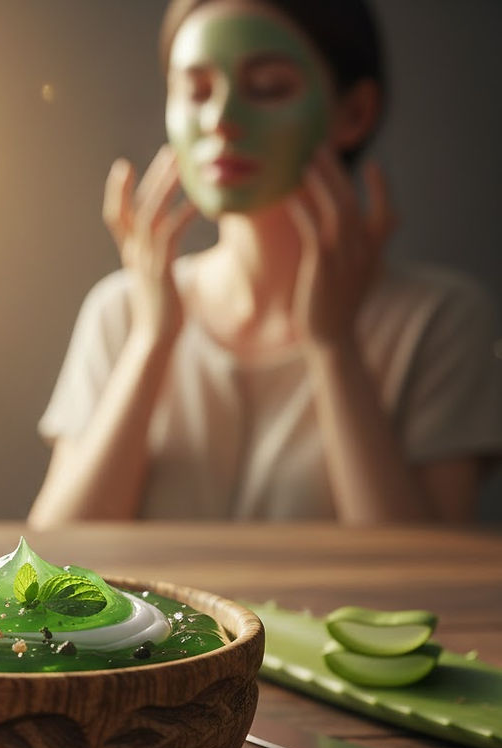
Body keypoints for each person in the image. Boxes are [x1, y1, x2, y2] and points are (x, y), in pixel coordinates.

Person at [29, 0, 502, 527]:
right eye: (197, 91)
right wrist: (151, 341)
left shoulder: (439, 321)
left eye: (269, 88)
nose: (221, 120)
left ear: (354, 114)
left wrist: (333, 346)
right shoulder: (120, 310)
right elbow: (57, 559)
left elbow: (422, 578)